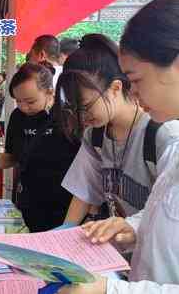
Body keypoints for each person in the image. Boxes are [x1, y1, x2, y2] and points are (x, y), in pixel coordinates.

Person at [59, 0, 179, 292]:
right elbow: (164, 221)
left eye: (136, 80)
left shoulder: (165, 136)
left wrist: (109, 290)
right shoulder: (175, 150)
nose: (133, 93)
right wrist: (133, 227)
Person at [54, 34, 179, 230]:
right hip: (120, 251)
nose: (82, 116)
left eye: (86, 106)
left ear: (115, 88)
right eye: (75, 109)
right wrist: (65, 228)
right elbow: (84, 190)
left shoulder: (162, 134)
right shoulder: (94, 136)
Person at [0, 63, 79, 232]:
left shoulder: (68, 116)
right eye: (18, 101)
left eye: (31, 101)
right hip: (30, 201)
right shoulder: (18, 117)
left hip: (66, 206)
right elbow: (12, 156)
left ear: (50, 92)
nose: (24, 107)